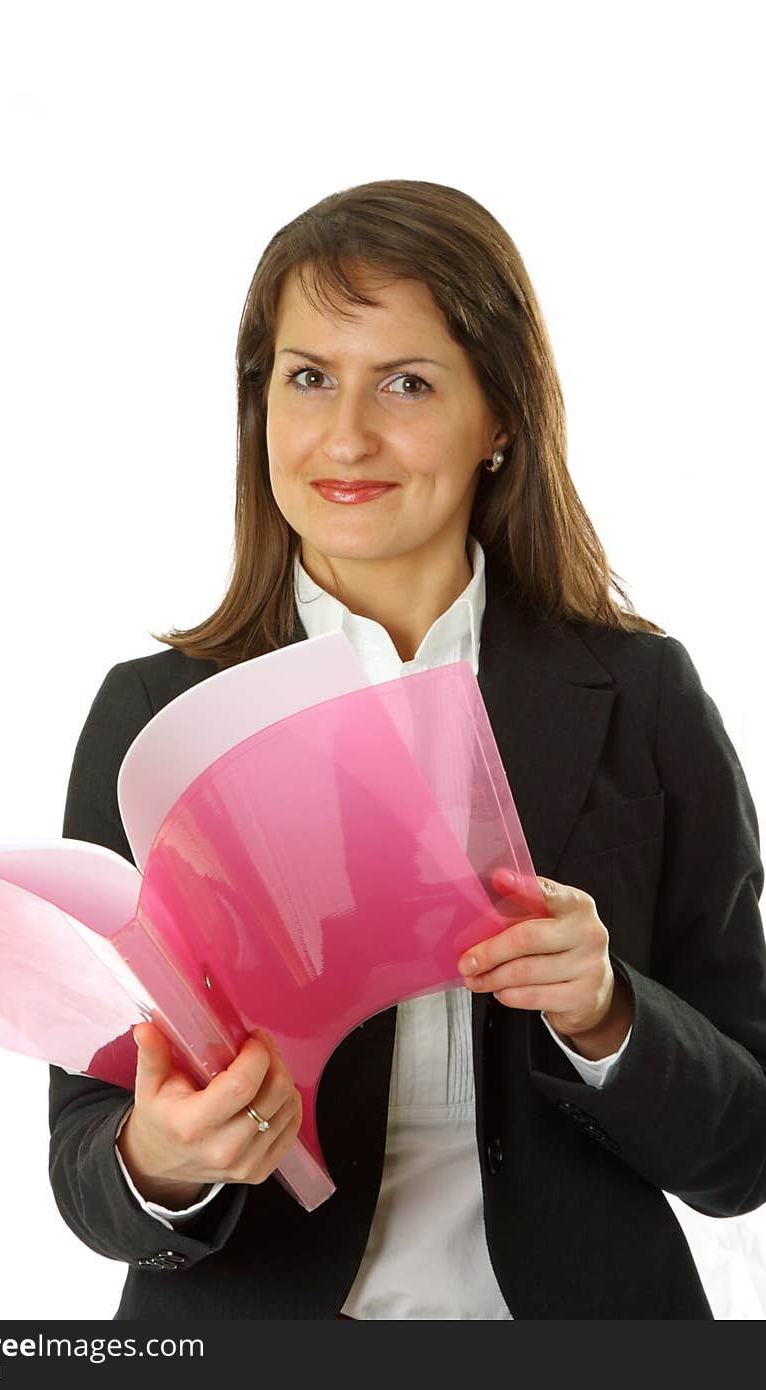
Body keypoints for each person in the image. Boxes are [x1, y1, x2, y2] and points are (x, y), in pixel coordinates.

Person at [48, 179, 766, 1319]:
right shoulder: (154, 716)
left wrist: (607, 1014)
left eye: (408, 383)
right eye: (308, 378)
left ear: (501, 421)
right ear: (260, 411)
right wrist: (166, 1157)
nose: (345, 436)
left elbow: (745, 1152)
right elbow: (86, 1159)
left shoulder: (640, 695)